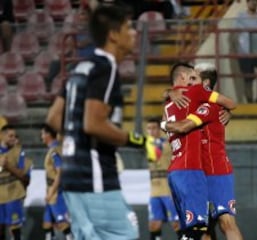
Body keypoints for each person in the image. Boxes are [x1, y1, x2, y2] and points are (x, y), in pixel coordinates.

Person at [46, 4, 146, 240]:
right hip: (95, 178)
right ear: (113, 35)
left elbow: (53, 117)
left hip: (72, 178)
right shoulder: (106, 67)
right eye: (128, 28)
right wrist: (139, 141)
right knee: (125, 234)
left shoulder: (80, 68)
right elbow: (94, 124)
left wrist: (76, 143)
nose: (134, 33)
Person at [162, 63, 243, 240]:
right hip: (198, 172)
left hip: (216, 170)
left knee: (226, 222)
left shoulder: (210, 107)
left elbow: (184, 126)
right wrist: (169, 92)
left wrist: (163, 125)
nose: (189, 82)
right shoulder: (193, 102)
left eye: (194, 78)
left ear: (205, 83)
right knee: (204, 229)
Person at [145, 118, 180, 240]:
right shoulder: (147, 144)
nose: (151, 131)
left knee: (176, 224)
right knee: (154, 225)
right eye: (148, 128)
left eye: (154, 128)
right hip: (154, 192)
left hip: (168, 191)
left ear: (160, 129)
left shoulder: (167, 144)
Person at [41, 124, 72, 240]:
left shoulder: (54, 151)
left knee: (62, 222)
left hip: (55, 190)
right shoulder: (53, 149)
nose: (42, 136)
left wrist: (51, 192)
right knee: (47, 221)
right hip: (51, 189)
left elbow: (60, 173)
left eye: (43, 134)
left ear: (48, 135)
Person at [0, 125, 31, 240]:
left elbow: (23, 175)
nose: (13, 138)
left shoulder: (19, 153)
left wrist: (7, 166)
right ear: (2, 136)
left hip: (13, 195)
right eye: (10, 136)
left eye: (15, 136)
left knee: (15, 228)